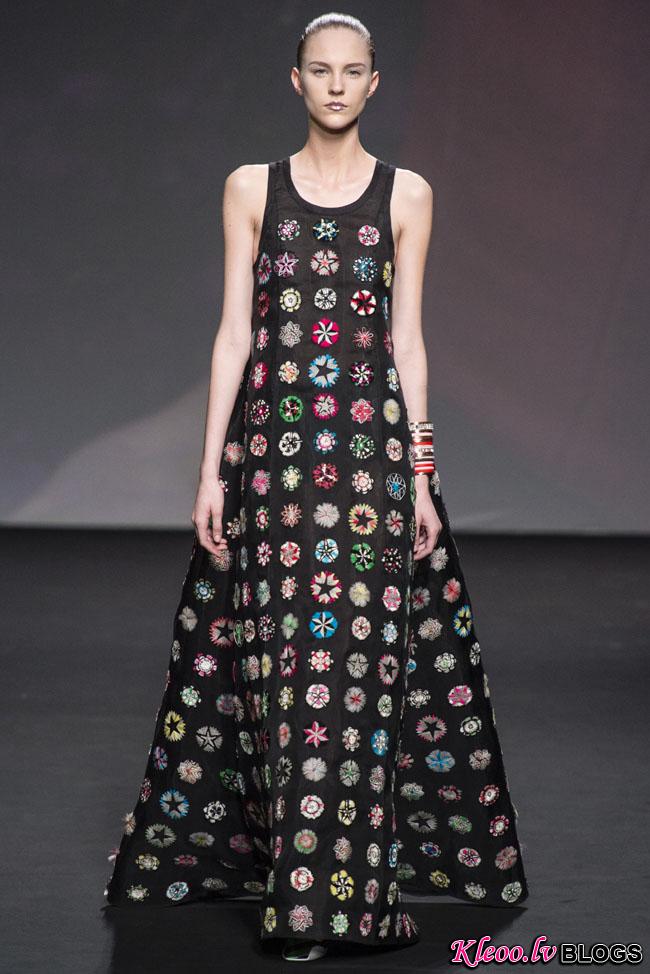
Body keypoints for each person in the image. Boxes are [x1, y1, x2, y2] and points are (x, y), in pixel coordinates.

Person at [104, 11, 529, 963]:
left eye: (353, 71)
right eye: (321, 70)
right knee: (289, 681)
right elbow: (235, 334)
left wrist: (422, 474)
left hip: (372, 468)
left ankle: (340, 902)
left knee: (357, 687)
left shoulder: (407, 194)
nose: (337, 85)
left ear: (374, 82)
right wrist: (210, 470)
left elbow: (407, 343)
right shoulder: (249, 188)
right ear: (295, 81)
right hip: (277, 470)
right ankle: (304, 901)